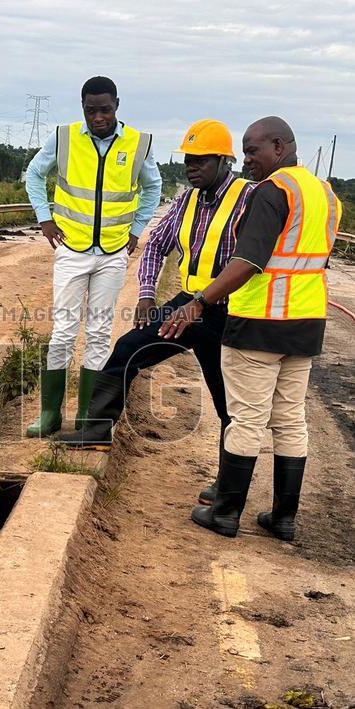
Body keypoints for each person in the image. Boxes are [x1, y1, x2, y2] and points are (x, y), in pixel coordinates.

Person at [159, 116, 342, 540]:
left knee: (246, 418)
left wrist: (199, 301)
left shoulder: (271, 192)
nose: (246, 162)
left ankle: (225, 514)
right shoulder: (326, 195)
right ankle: (283, 519)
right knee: (290, 419)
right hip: (306, 321)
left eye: (252, 151)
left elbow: (249, 261)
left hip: (259, 322)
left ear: (279, 147)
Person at [57, 120, 253, 505]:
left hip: (229, 313)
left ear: (223, 160)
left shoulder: (248, 198)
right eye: (188, 160)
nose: (191, 167)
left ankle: (228, 487)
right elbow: (156, 246)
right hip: (188, 306)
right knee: (128, 349)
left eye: (200, 160)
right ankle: (97, 429)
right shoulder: (186, 199)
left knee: (228, 402)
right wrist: (147, 295)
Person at [23, 76, 162, 437]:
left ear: (117, 104)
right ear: (82, 107)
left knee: (99, 332)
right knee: (63, 331)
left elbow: (153, 187)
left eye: (105, 109)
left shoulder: (137, 143)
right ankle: (50, 415)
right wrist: (44, 217)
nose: (97, 117)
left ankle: (88, 415)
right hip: (72, 248)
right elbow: (34, 175)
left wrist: (136, 231)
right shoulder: (65, 137)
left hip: (114, 252)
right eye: (90, 110)